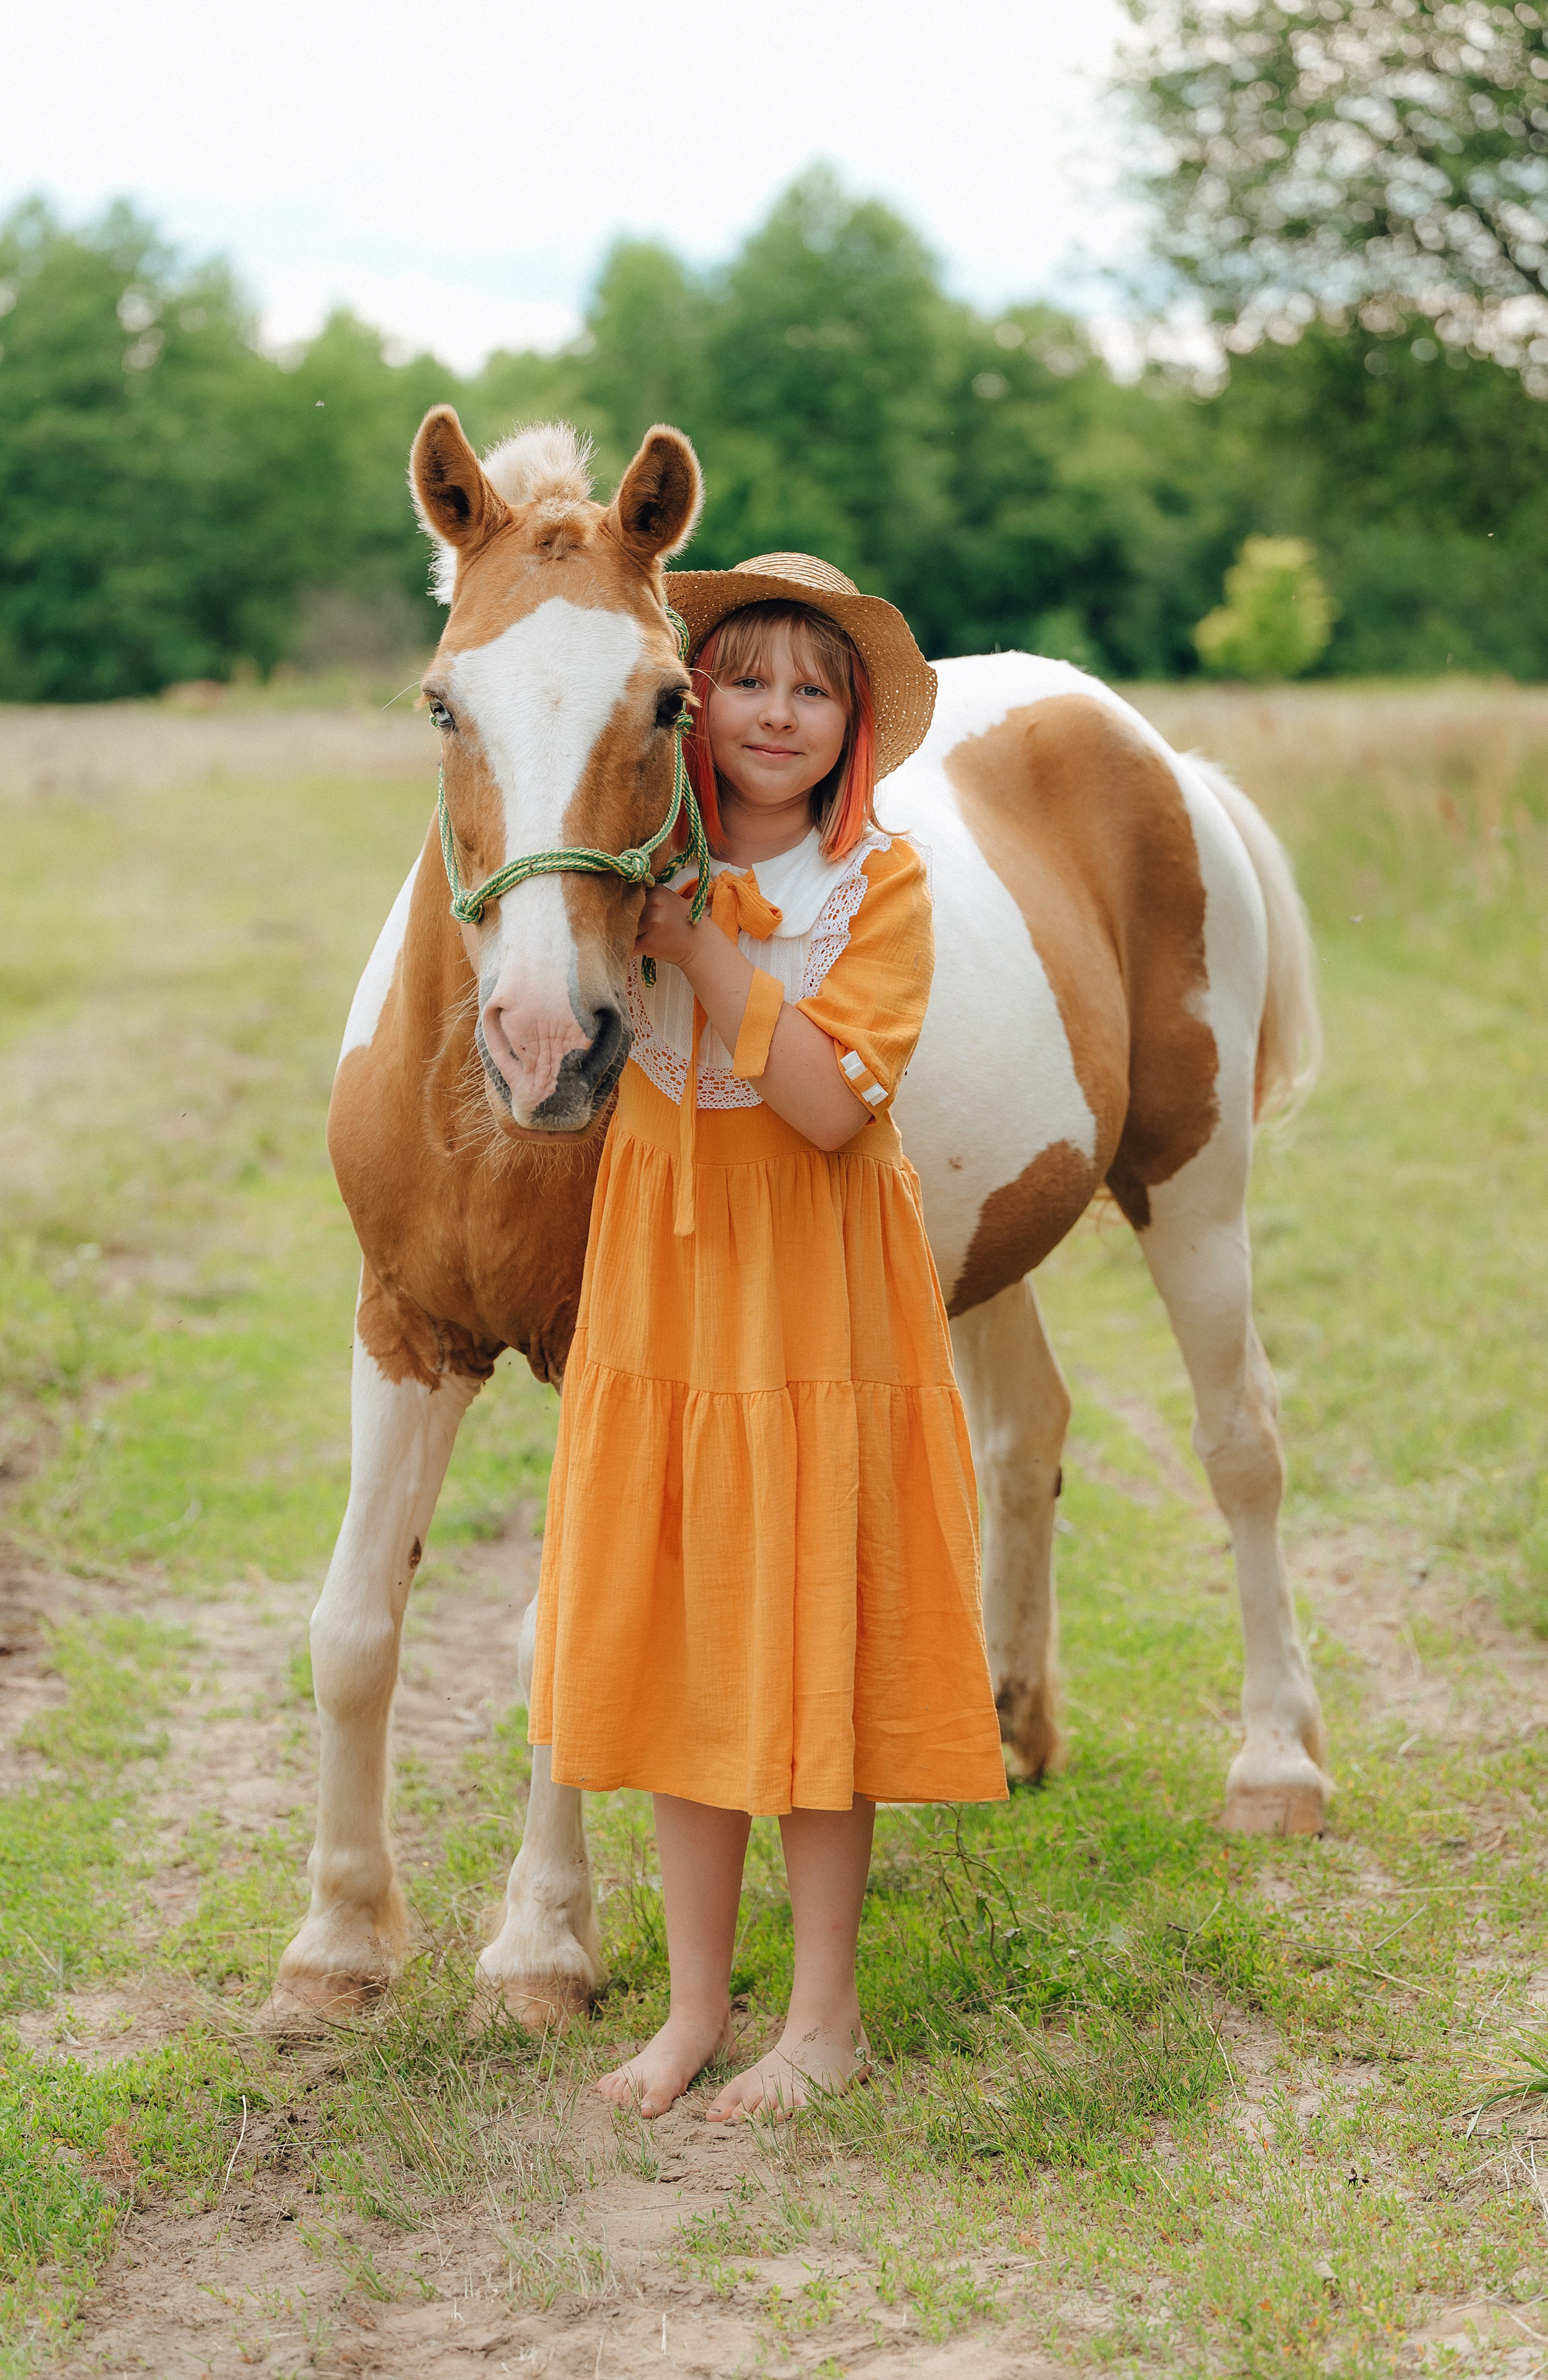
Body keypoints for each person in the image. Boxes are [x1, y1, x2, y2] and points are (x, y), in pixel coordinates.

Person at [529, 552, 1007, 2122]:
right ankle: (686, 2013)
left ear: (851, 718)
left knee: (811, 1627)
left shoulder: (877, 883)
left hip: (814, 1285)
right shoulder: (633, 860)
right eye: (746, 678)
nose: (778, 712)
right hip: (667, 1282)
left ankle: (822, 2017)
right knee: (684, 1633)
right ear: (696, 699)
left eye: (814, 687)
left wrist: (704, 953)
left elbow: (816, 1109)